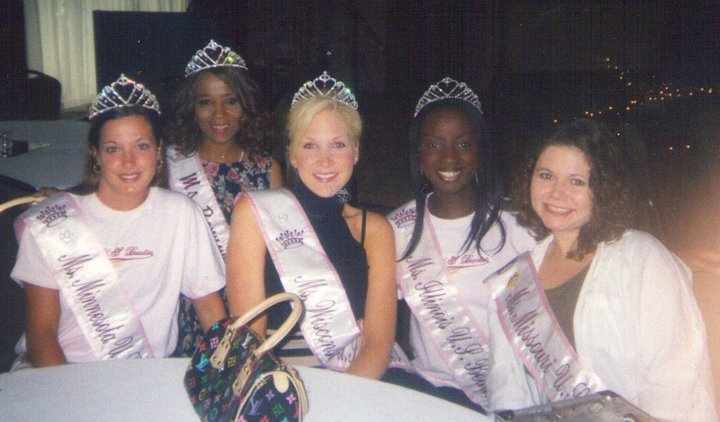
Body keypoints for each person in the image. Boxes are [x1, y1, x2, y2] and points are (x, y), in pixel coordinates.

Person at [485, 119, 716, 420]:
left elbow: (675, 378)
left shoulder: (642, 258)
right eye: (546, 176)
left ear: (602, 189)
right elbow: (508, 394)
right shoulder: (511, 283)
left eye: (577, 181)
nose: (557, 193)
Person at [10, 75, 226, 368]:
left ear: (159, 152)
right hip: (56, 374)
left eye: (141, 146)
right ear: (96, 155)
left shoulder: (181, 213)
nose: (128, 162)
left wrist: (228, 369)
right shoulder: (52, 224)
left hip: (144, 373)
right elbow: (42, 335)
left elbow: (210, 309)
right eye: (113, 149)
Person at [226, 71, 396, 378]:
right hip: (274, 382)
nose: (325, 161)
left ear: (355, 151)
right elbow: (249, 336)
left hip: (354, 381)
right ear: (291, 153)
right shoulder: (254, 214)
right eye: (309, 146)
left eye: (338, 145)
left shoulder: (375, 230)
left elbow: (377, 347)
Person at [382, 77, 535, 411]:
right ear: (419, 154)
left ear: (480, 151)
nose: (449, 158)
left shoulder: (518, 226)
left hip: (516, 401)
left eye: (463, 144)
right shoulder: (395, 230)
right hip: (434, 401)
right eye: (435, 145)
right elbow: (376, 324)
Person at [165, 40, 282, 356]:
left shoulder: (266, 169)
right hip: (185, 309)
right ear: (191, 107)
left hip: (248, 308)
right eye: (205, 102)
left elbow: (279, 254)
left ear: (246, 106)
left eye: (231, 101)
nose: (219, 114)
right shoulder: (169, 166)